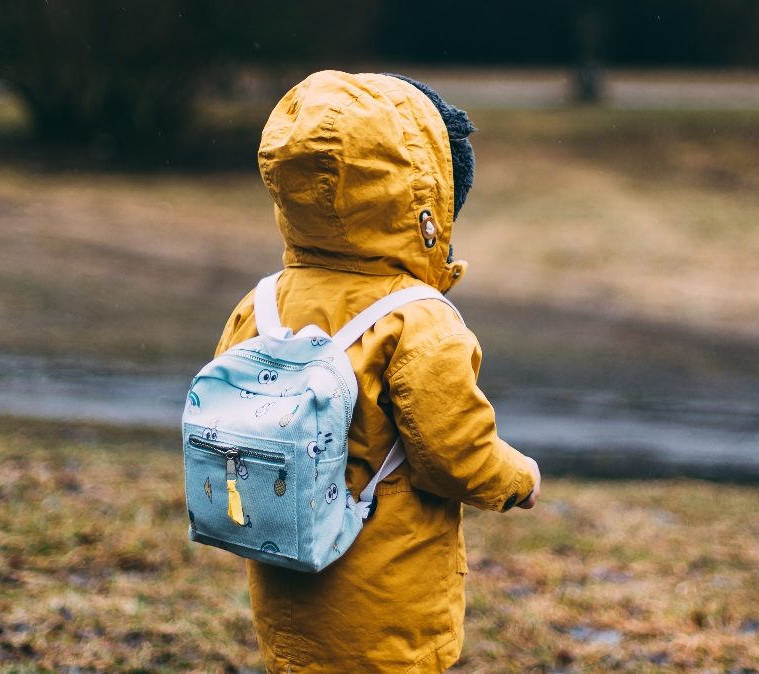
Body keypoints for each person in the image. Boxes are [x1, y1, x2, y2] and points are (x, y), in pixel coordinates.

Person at [213, 70, 541, 673]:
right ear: (426, 202)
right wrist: (517, 478)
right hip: (387, 598)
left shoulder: (262, 303)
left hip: (286, 577)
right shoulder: (418, 322)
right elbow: (454, 453)